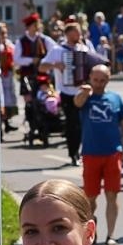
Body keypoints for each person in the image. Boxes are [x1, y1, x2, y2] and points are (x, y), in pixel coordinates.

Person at [74, 64, 123, 245]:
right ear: (90, 79)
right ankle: (89, 229)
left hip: (112, 154)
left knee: (112, 195)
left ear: (108, 80)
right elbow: (77, 103)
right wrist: (85, 92)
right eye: (96, 80)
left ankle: (111, 236)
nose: (99, 84)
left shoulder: (115, 98)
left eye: (103, 80)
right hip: (91, 154)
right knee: (90, 198)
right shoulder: (86, 97)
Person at [45, 20, 99, 166]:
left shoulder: (85, 48)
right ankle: (73, 152)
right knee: (72, 123)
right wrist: (55, 65)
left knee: (84, 122)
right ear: (68, 34)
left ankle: (83, 152)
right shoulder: (58, 50)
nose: (79, 34)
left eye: (80, 31)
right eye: (76, 32)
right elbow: (42, 67)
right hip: (67, 92)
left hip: (84, 91)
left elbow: (95, 62)